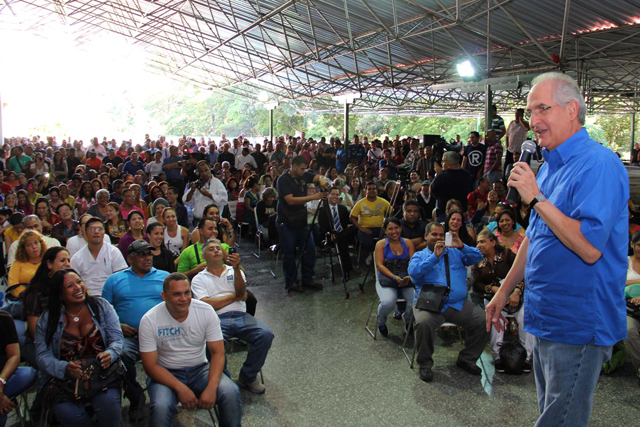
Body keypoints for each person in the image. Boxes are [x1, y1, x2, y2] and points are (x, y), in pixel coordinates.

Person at [485, 72, 629, 426]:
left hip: (577, 321)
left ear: (571, 110)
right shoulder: (550, 167)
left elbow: (590, 248)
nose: (533, 121)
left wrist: (536, 197)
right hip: (545, 316)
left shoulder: (599, 165)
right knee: (552, 411)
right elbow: (534, 238)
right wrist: (503, 291)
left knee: (560, 420)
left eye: (543, 109)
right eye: (531, 111)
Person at [138, 273, 242, 427]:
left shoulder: (205, 311)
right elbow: (150, 366)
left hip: (200, 369)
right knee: (161, 407)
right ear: (164, 296)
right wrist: (181, 389)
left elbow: (218, 353)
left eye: (187, 292)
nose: (184, 298)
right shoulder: (149, 320)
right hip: (166, 372)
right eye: (176, 294)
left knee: (230, 393)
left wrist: (212, 388)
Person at [34, 269, 123, 427]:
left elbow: (117, 339)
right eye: (70, 285)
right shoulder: (48, 319)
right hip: (63, 379)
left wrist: (111, 353)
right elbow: (42, 355)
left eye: (79, 282)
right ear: (60, 294)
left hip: (101, 374)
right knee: (71, 416)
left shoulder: (102, 307)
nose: (78, 287)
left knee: (109, 408)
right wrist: (64, 367)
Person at [192, 239, 274, 394]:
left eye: (218, 248)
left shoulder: (235, 271)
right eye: (211, 249)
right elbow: (208, 305)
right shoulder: (198, 279)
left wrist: (236, 269)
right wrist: (235, 298)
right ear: (203, 257)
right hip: (215, 320)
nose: (216, 250)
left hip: (241, 316)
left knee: (265, 335)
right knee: (213, 342)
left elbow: (241, 292)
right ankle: (224, 379)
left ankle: (248, 377)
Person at [408, 222, 487, 382]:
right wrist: (434, 257)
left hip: (458, 304)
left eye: (441, 235)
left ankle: (467, 358)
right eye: (434, 234)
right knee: (423, 323)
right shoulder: (420, 255)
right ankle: (425, 364)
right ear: (426, 236)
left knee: (484, 320)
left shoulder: (456, 252)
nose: (438, 238)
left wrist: (462, 246)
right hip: (431, 305)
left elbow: (478, 257)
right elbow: (414, 274)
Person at [102, 240, 169, 421]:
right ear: (129, 258)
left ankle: (166, 396)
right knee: (120, 355)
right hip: (130, 336)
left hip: (160, 334)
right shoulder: (114, 280)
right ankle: (135, 396)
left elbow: (179, 306)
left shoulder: (165, 277)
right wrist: (119, 327)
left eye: (150, 254)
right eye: (142, 254)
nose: (148, 258)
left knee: (175, 351)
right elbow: (104, 313)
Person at [473, 230, 533, 373]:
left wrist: (516, 292)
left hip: (515, 297)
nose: (479, 245)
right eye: (477, 242)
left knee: (526, 317)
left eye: (482, 241)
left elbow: (522, 273)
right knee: (494, 318)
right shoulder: (478, 260)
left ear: (493, 242)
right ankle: (498, 357)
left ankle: (526, 357)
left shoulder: (507, 254)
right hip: (493, 299)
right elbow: (476, 285)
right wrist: (494, 290)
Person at [275, 155, 328, 292]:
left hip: (302, 220)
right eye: (302, 169)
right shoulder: (283, 180)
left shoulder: (304, 175)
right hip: (286, 220)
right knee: (289, 253)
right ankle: (291, 282)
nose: (304, 171)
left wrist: (322, 180)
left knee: (309, 249)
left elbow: (316, 177)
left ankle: (307, 279)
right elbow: (290, 200)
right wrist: (314, 197)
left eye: (306, 169)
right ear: (294, 166)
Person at [20, 247, 71, 367]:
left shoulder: (73, 288)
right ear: (49, 264)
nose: (67, 264)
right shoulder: (36, 292)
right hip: (41, 344)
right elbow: (34, 331)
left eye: (68, 260)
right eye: (62, 260)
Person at [374, 218, 415, 337]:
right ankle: (381, 321)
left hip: (406, 279)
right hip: (387, 279)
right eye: (390, 229)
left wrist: (409, 277)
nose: (394, 231)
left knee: (415, 302)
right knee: (388, 302)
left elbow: (414, 263)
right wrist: (394, 277)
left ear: (401, 228)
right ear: (385, 231)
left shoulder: (408, 243)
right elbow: (380, 265)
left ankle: (408, 319)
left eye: (396, 228)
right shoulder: (380, 244)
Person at [70, 218, 128, 297]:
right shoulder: (77, 257)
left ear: (104, 232)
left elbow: (122, 279)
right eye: (92, 229)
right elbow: (74, 282)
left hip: (112, 296)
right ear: (85, 232)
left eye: (100, 229)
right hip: (87, 298)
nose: (96, 232)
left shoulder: (113, 252)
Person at [0, 309, 37, 427]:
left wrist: (1, 381)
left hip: (3, 377)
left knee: (27, 373)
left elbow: (14, 356)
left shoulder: (4, 318)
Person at [318, 187, 358, 281]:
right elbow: (322, 227)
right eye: (333, 194)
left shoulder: (343, 208)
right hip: (330, 236)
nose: (335, 196)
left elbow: (347, 222)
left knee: (355, 227)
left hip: (342, 233)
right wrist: (329, 233)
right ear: (328, 195)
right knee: (342, 242)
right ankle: (346, 271)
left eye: (337, 194)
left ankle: (346, 270)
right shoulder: (323, 210)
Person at [350, 182, 391, 264]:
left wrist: (387, 225)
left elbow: (392, 213)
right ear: (366, 191)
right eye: (369, 189)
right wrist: (361, 228)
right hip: (365, 229)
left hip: (381, 228)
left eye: (374, 189)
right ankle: (374, 254)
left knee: (389, 238)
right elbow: (351, 217)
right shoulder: (360, 203)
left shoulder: (383, 201)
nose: (372, 190)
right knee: (366, 242)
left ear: (377, 191)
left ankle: (377, 255)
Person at [430, 151, 473, 222]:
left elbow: (431, 191)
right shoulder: (467, 174)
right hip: (462, 213)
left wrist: (438, 174)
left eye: (443, 161)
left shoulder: (441, 177)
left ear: (449, 164)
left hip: (443, 214)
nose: (441, 164)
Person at [7, 230, 46, 299]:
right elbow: (13, 285)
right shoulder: (17, 264)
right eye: (29, 245)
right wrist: (29, 296)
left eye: (36, 243)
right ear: (23, 249)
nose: (34, 247)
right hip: (24, 299)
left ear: (41, 244)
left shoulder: (48, 261)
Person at [626, 231, 640, 376]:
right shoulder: (625, 262)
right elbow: (618, 283)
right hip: (629, 308)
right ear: (632, 244)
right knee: (630, 330)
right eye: (639, 245)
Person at [504, 108, 531, 178]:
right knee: (508, 166)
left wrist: (521, 120)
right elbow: (507, 135)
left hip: (519, 150)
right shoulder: (512, 123)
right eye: (516, 114)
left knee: (520, 167)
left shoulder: (525, 123)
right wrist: (507, 146)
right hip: (511, 149)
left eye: (519, 114)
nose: (517, 115)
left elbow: (528, 128)